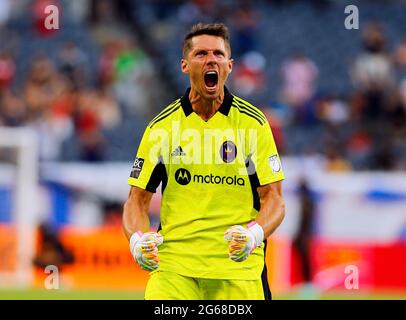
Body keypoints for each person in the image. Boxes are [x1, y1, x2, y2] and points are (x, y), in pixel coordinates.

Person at [122, 23, 286, 300]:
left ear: (230, 66)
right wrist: (137, 240)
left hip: (238, 269)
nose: (211, 59)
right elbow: (136, 200)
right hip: (174, 269)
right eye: (201, 54)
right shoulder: (162, 128)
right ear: (185, 66)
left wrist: (254, 235)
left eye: (218, 54)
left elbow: (275, 199)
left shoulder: (253, 125)